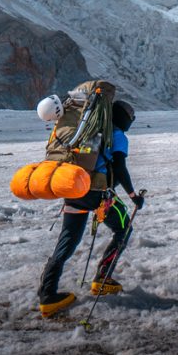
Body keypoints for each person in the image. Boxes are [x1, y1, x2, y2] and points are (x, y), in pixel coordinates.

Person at [37, 98, 144, 318]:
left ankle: (47, 296)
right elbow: (120, 168)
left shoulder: (88, 131)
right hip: (96, 194)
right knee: (124, 229)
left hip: (74, 189)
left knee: (67, 242)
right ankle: (102, 280)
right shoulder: (116, 135)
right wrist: (133, 196)